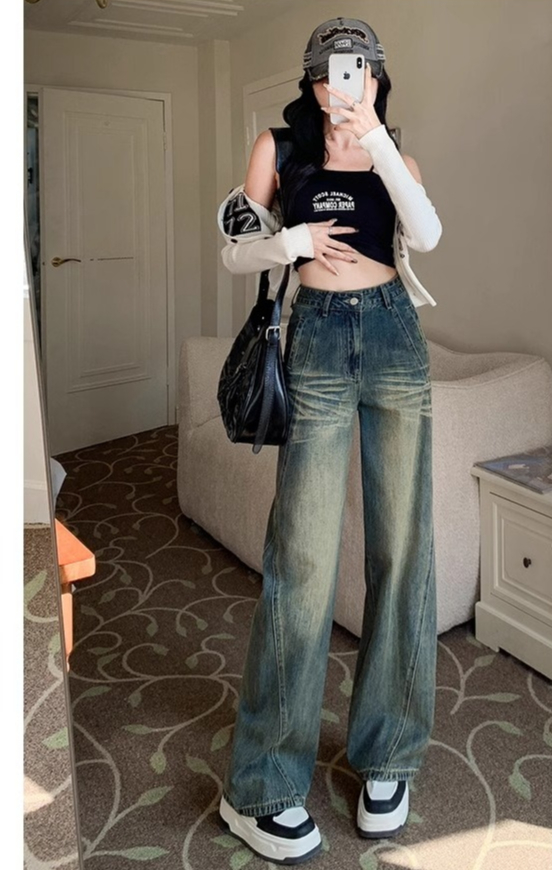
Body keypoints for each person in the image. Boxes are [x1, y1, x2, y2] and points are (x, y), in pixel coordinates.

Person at [215, 17, 442, 864]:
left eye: (361, 71)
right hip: (313, 338)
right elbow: (235, 253)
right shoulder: (278, 149)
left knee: (403, 551)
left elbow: (428, 234)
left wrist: (376, 140)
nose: (345, 85)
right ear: (311, 83)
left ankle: (388, 756)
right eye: (331, 73)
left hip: (393, 339)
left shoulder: (396, 153)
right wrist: (293, 240)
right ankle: (260, 786)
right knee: (302, 562)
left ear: (378, 78)